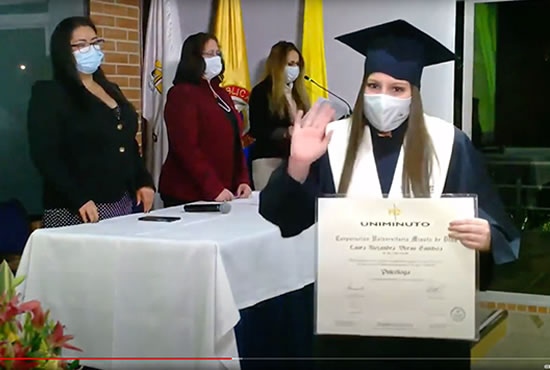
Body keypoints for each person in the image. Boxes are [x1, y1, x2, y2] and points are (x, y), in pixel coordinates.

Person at [259, 20, 520, 369]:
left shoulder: (448, 143)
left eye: (397, 89)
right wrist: (298, 164)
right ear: (362, 87)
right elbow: (286, 218)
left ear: (414, 93)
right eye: (374, 85)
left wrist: (488, 238)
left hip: (431, 329)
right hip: (350, 332)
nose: (383, 97)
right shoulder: (332, 141)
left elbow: (498, 227)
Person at [27, 17, 154, 228]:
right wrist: (78, 198)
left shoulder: (111, 89)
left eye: (95, 42)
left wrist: (143, 181)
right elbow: (45, 155)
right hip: (77, 207)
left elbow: (127, 142)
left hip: (121, 200)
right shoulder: (50, 93)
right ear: (64, 51)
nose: (91, 49)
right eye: (81, 44)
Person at [159, 33, 251, 206]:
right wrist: (213, 188)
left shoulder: (222, 93)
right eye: (209, 54)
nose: (216, 58)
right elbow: (186, 147)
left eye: (217, 53)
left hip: (225, 190)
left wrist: (243, 180)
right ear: (194, 58)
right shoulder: (182, 93)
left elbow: (236, 141)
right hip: (189, 192)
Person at [249, 41, 310, 189]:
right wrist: (285, 133)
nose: (294, 69)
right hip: (268, 160)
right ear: (277, 65)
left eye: (296, 64)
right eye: (290, 64)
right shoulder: (261, 91)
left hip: (294, 160)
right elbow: (258, 129)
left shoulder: (298, 94)